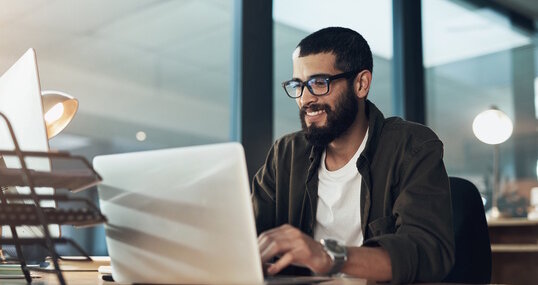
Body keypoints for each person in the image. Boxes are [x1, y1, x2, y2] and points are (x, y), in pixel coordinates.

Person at [252, 27, 454, 284]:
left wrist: (329, 256)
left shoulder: (412, 146)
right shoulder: (286, 154)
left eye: (318, 83)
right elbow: (246, 233)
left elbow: (427, 251)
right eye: (298, 85)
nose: (304, 99)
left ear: (361, 84)